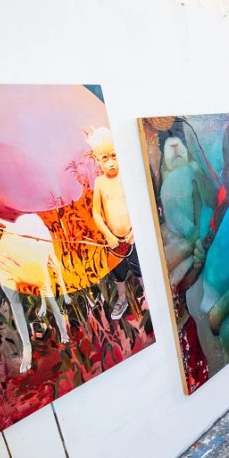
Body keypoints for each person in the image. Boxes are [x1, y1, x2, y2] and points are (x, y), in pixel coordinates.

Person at [89, 127, 141, 320]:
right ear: (97, 160)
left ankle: (148, 293)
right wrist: (108, 235)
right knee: (117, 273)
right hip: (114, 242)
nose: (110, 163)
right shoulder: (100, 183)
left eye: (114, 156)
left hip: (132, 237)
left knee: (139, 268)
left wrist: (135, 230)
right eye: (104, 158)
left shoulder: (126, 178)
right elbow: (96, 213)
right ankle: (122, 298)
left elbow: (138, 204)